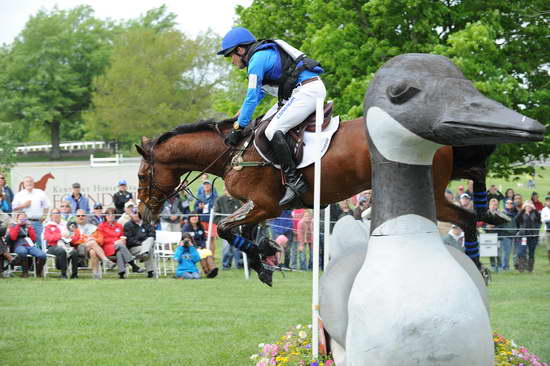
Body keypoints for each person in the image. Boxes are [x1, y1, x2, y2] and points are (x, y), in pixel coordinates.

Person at [218, 27, 325, 206]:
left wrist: (239, 127)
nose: (231, 61)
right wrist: (238, 118)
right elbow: (258, 94)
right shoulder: (259, 57)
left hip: (307, 90)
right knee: (262, 125)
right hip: (297, 92)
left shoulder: (256, 61)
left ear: (240, 50)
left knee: (273, 130)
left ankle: (295, 181)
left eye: (230, 55)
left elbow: (251, 97)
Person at [97, 207, 143, 279]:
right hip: (107, 247)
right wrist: (114, 242)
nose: (110, 216)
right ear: (105, 216)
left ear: (115, 216)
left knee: (120, 251)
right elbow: (101, 240)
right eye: (108, 214)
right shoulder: (101, 226)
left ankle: (121, 273)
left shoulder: (119, 226)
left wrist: (122, 241)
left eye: (112, 214)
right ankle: (133, 265)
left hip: (119, 246)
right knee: (120, 246)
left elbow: (122, 237)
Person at [70, 209, 116, 279]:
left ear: (86, 217)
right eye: (78, 216)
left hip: (92, 247)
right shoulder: (73, 227)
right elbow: (72, 241)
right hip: (79, 248)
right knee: (92, 243)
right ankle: (105, 260)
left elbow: (101, 239)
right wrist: (85, 239)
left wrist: (94, 239)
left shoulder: (92, 227)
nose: (80, 217)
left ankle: (95, 274)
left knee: (93, 251)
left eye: (83, 215)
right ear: (76, 217)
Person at [12, 176, 49, 249]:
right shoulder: (19, 195)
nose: (29, 183)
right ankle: (26, 260)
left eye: (31, 181)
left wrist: (44, 216)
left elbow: (47, 206)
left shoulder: (40, 192)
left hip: (37, 222)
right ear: (24, 184)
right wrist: (23, 205)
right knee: (25, 243)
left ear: (34, 183)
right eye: (27, 181)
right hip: (23, 222)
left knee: (41, 242)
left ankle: (41, 259)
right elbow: (14, 208)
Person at [8, 212, 47, 277]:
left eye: (24, 219)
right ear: (17, 219)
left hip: (30, 246)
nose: (23, 220)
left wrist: (30, 228)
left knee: (42, 255)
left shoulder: (28, 227)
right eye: (21, 219)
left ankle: (38, 273)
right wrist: (18, 225)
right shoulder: (13, 226)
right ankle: (25, 273)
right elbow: (13, 237)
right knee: (23, 252)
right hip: (19, 245)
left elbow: (33, 239)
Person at [43, 208, 79, 278]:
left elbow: (75, 236)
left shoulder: (66, 224)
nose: (56, 215)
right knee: (61, 250)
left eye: (57, 213)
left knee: (74, 252)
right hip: (52, 246)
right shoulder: (48, 226)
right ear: (51, 216)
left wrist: (70, 237)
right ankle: (63, 274)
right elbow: (48, 238)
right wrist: (60, 235)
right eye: (54, 213)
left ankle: (74, 274)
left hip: (66, 245)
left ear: (60, 215)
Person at [213, 187, 243, 269]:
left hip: (237, 229)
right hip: (225, 230)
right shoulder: (219, 200)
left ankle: (239, 264)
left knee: (237, 248)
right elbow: (215, 216)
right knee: (226, 248)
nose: (229, 191)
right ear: (224, 191)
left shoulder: (238, 200)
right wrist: (223, 224)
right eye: (227, 190)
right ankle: (226, 265)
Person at [124, 208, 156, 278]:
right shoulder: (127, 225)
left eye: (137, 213)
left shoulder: (147, 224)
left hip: (146, 247)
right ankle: (150, 272)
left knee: (151, 239)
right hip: (134, 248)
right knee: (148, 249)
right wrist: (143, 244)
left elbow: (152, 235)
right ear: (131, 215)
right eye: (134, 213)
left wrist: (145, 245)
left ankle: (144, 254)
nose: (135, 215)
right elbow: (130, 240)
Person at [515, 200, 541, 272]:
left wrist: (535, 209)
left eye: (530, 206)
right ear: (524, 206)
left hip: (532, 236)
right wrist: (522, 210)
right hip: (523, 236)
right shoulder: (522, 213)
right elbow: (517, 219)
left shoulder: (535, 214)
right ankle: (521, 268)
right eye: (527, 206)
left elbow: (539, 219)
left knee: (531, 252)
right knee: (521, 252)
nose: (528, 207)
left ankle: (530, 268)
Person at [499, 199, 518, 271]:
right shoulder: (502, 213)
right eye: (508, 203)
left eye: (511, 203)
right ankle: (505, 267)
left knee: (515, 252)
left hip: (515, 235)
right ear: (505, 204)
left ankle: (516, 267)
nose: (509, 204)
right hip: (506, 235)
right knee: (506, 252)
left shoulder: (515, 213)